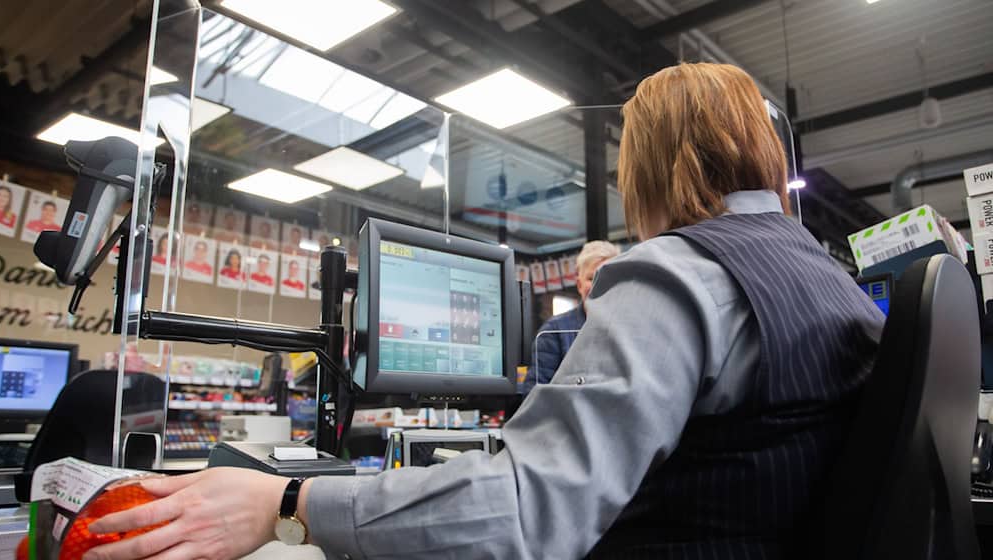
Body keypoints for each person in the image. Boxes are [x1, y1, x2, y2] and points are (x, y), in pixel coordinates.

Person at [83, 63, 884, 560]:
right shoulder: (830, 276)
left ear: (649, 167)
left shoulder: (678, 276)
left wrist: (288, 504)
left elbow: (523, 514)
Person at [522, 241, 620, 393]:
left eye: (607, 277)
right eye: (591, 278)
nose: (598, 284)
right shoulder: (554, 332)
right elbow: (532, 396)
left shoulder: (629, 330)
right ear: (579, 285)